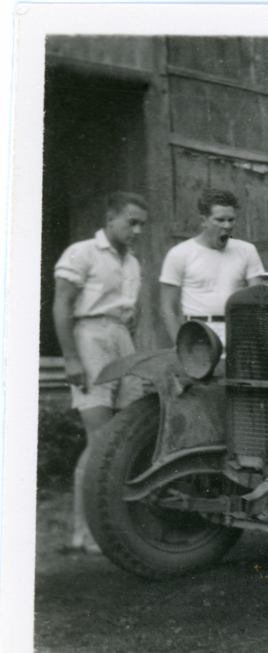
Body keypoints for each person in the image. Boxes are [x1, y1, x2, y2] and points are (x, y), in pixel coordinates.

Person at [53, 191, 148, 552]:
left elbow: (128, 310)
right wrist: (71, 358)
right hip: (89, 338)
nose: (137, 230)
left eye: (142, 225)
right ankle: (86, 532)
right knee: (100, 438)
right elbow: (62, 306)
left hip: (121, 340)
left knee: (123, 435)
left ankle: (114, 528)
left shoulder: (132, 262)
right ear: (111, 219)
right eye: (131, 222)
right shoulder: (82, 253)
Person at [159, 189, 265, 344]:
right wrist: (180, 344)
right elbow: (166, 307)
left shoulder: (247, 250)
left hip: (238, 333)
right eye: (220, 220)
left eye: (231, 220)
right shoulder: (179, 253)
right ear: (204, 220)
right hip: (198, 334)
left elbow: (258, 299)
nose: (227, 226)